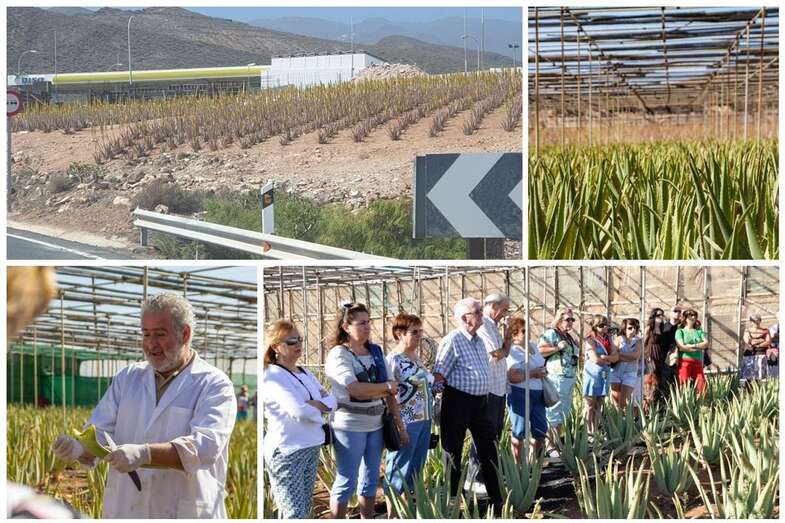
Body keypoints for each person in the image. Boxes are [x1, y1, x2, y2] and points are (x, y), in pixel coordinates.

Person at [52, 293, 237, 518]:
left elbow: (205, 448)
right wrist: (79, 448)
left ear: (185, 333)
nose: (151, 344)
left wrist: (145, 453)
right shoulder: (127, 378)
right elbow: (100, 432)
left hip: (185, 511)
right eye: (146, 334)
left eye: (160, 334)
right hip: (127, 509)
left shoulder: (213, 383)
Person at [325, 303, 406, 519]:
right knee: (347, 479)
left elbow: (391, 391)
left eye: (369, 322)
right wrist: (385, 388)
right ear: (346, 327)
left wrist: (399, 424)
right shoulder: (339, 355)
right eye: (361, 323)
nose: (368, 326)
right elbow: (356, 390)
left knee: (370, 478)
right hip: (349, 425)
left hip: (377, 423)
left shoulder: (376, 352)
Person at [433, 298, 502, 513]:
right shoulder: (452, 340)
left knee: (489, 448)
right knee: (453, 451)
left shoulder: (478, 340)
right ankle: (452, 501)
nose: (482, 315)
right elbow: (439, 373)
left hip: (480, 403)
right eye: (478, 312)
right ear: (465, 318)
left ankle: (496, 497)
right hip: (457, 401)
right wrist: (436, 397)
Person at [263, 320, 336, 519]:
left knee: (304, 508)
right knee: (293, 514)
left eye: (300, 340)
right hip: (288, 451)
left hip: (310, 446)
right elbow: (298, 410)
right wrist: (319, 404)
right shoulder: (273, 376)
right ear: (276, 346)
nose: (298, 345)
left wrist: (314, 404)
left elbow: (331, 400)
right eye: (291, 341)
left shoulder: (304, 372)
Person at [384, 313, 434, 517]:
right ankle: (391, 515)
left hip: (424, 420)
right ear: (399, 334)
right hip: (406, 421)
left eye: (420, 331)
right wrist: (399, 426)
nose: (419, 336)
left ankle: (407, 513)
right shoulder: (393, 360)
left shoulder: (416, 357)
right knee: (398, 470)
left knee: (414, 470)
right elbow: (389, 395)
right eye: (414, 332)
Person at [467, 293, 511, 496]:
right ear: (493, 306)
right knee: (484, 435)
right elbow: (497, 354)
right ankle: (474, 477)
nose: (505, 314)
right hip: (488, 389)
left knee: (494, 434)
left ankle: (486, 474)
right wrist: (505, 345)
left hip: (499, 387)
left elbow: (502, 353)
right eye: (504, 309)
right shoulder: (484, 326)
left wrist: (507, 340)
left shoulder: (493, 326)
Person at [538, 308, 581, 457]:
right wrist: (557, 348)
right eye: (567, 319)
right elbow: (540, 350)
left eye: (572, 319)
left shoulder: (567, 336)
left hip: (569, 377)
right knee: (553, 412)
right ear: (559, 320)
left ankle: (556, 442)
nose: (570, 322)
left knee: (563, 412)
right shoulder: (552, 333)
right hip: (557, 376)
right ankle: (549, 445)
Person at [505, 316, 547, 463]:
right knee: (520, 430)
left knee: (541, 430)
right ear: (515, 333)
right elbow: (512, 376)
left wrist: (542, 372)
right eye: (524, 331)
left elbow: (542, 364)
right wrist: (533, 373)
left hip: (538, 392)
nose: (527, 333)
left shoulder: (533, 346)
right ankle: (519, 466)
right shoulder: (512, 351)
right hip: (520, 393)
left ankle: (537, 461)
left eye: (528, 330)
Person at [582, 315, 618, 433]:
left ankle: (595, 429)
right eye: (601, 325)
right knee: (590, 403)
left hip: (605, 374)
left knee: (599, 403)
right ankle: (588, 431)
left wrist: (605, 357)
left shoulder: (608, 339)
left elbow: (615, 356)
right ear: (595, 326)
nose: (604, 328)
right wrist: (608, 360)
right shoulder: (590, 339)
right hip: (593, 375)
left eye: (606, 325)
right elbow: (595, 359)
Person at [610, 318, 642, 409]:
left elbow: (636, 356)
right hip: (616, 372)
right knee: (616, 401)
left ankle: (626, 420)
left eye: (635, 328)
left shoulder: (638, 341)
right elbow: (613, 354)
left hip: (630, 373)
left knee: (624, 401)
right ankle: (617, 421)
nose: (633, 330)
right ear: (624, 329)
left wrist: (620, 355)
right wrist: (628, 357)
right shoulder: (619, 339)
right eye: (630, 328)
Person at [675, 309, 709, 394]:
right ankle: (683, 404)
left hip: (698, 361)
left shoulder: (699, 331)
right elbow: (681, 346)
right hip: (684, 361)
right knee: (683, 384)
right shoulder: (680, 331)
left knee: (701, 385)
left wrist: (693, 346)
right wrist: (698, 347)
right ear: (686, 318)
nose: (693, 317)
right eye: (690, 315)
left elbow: (706, 343)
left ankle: (701, 404)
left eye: (694, 315)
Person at [742, 314, 771, 381]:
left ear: (760, 321)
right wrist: (761, 340)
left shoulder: (765, 330)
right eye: (754, 321)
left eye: (758, 320)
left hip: (761, 354)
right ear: (751, 322)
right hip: (749, 355)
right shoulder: (747, 331)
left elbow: (768, 342)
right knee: (748, 377)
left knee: (761, 377)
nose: (756, 323)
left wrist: (758, 345)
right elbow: (749, 342)